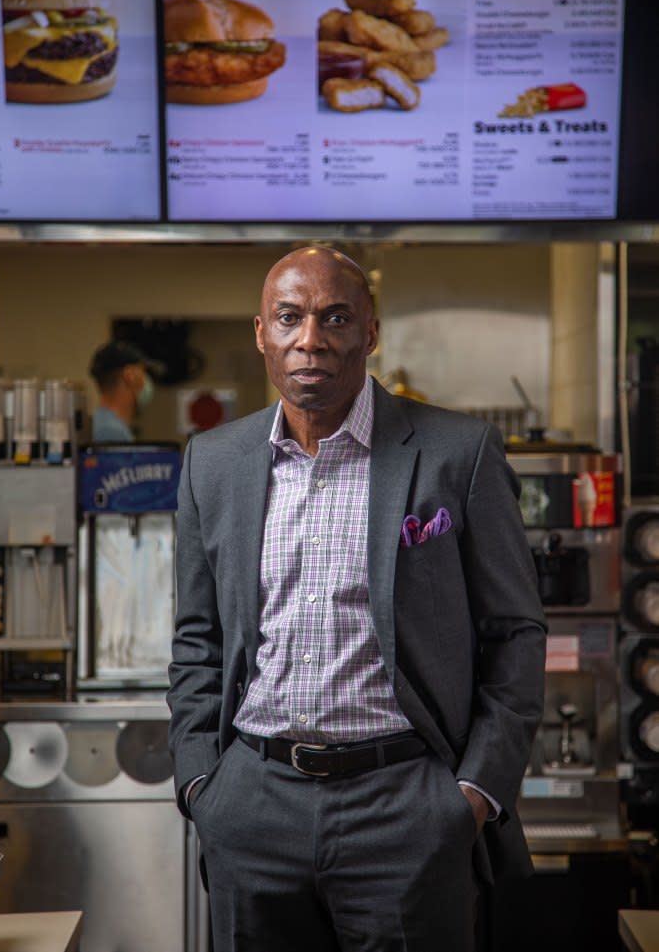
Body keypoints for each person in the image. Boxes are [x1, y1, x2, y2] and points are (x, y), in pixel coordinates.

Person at [168, 246, 546, 952]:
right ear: (261, 333)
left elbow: (515, 630)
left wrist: (469, 794)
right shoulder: (212, 462)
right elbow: (198, 636)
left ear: (369, 333)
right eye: (289, 318)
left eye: (334, 317)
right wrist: (201, 783)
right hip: (252, 804)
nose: (309, 339)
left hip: (405, 804)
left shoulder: (455, 452)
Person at [88, 340, 155, 442]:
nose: (146, 379)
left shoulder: (107, 424)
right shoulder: (111, 432)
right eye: (143, 371)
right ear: (129, 376)